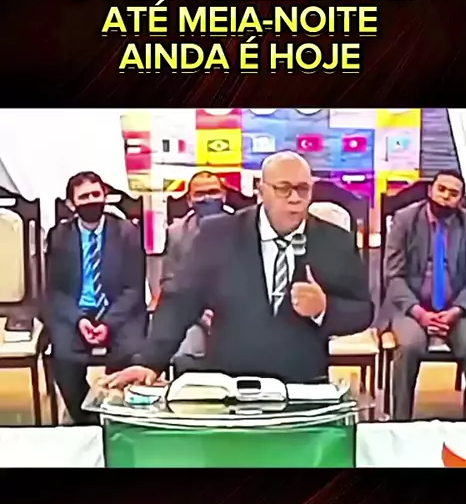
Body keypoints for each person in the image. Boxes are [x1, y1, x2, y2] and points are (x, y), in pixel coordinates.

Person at [103, 152, 374, 389]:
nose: (295, 198)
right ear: (261, 191)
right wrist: (150, 362)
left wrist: (324, 308)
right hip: (231, 383)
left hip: (303, 384)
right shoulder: (218, 234)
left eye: (303, 189)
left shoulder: (335, 241)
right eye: (283, 188)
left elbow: (362, 311)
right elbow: (180, 301)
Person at [44, 171, 148, 423]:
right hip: (77, 311)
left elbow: (134, 288)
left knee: (131, 353)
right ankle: (86, 418)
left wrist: (108, 323)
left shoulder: (127, 232)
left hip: (119, 311)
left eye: (96, 194)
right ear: (71, 204)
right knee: (63, 357)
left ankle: (117, 414)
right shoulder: (59, 235)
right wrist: (79, 319)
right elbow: (56, 290)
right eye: (84, 197)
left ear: (105, 196)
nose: (91, 200)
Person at [377, 170, 466, 421]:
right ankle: (400, 422)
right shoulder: (404, 220)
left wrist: (456, 310)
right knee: (409, 346)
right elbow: (393, 276)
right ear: (430, 191)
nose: (445, 197)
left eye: (453, 193)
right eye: (441, 189)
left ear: (461, 200)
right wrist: (420, 313)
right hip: (410, 308)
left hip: (456, 310)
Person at [160, 171, 232, 373]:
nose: (207, 198)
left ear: (224, 196)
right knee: (185, 352)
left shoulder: (243, 227)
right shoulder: (176, 232)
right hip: (192, 314)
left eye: (213, 192)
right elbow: (168, 281)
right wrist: (201, 314)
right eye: (200, 194)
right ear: (189, 200)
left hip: (234, 312)